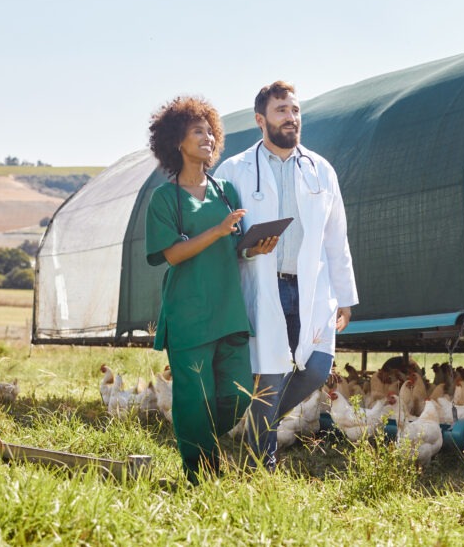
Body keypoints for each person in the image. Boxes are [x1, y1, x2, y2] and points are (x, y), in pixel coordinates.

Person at [217, 80, 359, 470]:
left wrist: (345, 297)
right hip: (265, 284)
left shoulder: (321, 170)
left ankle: (256, 428)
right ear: (260, 119)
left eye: (295, 110)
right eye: (281, 110)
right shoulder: (235, 170)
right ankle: (263, 461)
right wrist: (246, 248)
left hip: (312, 287)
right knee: (271, 375)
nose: (291, 118)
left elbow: (336, 237)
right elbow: (222, 235)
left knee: (315, 369)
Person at [144, 95, 274, 483]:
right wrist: (217, 230)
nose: (207, 138)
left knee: (236, 396)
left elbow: (233, 249)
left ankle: (198, 439)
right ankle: (201, 477)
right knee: (194, 400)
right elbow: (172, 254)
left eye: (209, 131)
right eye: (196, 131)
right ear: (176, 142)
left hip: (228, 310)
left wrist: (254, 247)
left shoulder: (225, 192)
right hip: (188, 314)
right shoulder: (165, 198)